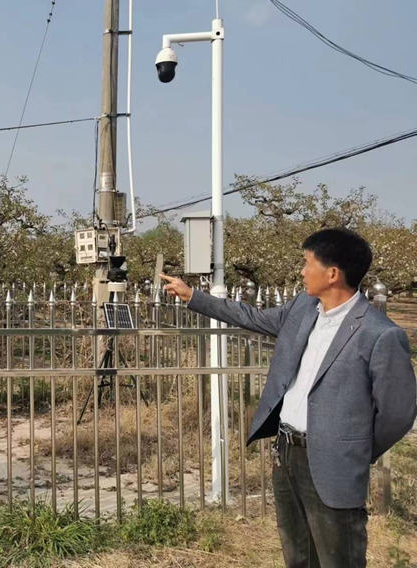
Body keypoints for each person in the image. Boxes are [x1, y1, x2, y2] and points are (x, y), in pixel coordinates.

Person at [160, 227, 416, 568]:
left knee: (337, 558)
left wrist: (352, 450)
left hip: (335, 464)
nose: (302, 272)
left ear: (332, 274)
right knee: (298, 556)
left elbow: (398, 414)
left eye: (307, 263)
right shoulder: (303, 308)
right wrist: (193, 296)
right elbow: (251, 316)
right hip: (287, 453)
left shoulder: (379, 334)